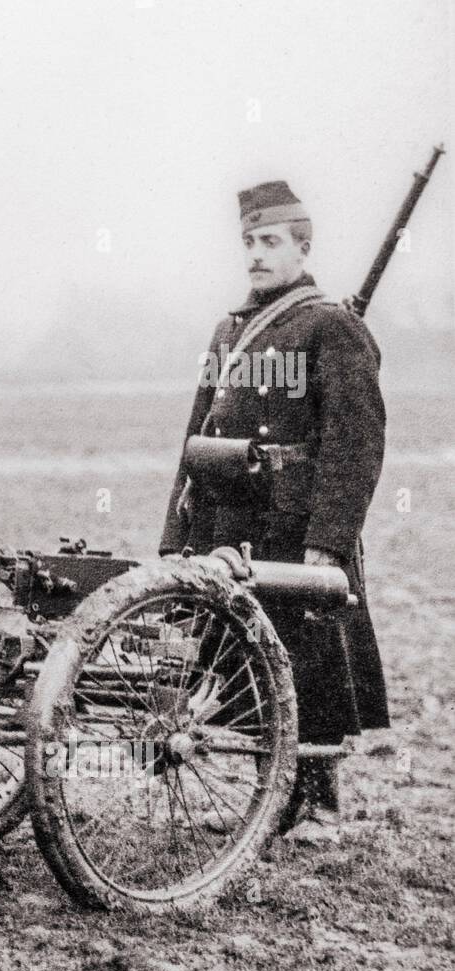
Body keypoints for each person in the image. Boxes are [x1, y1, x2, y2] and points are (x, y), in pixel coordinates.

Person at [159, 180, 389, 845]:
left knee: (307, 657)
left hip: (294, 529)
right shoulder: (229, 328)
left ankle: (321, 804)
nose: (256, 255)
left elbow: (355, 444)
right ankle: (274, 802)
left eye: (269, 242)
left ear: (302, 246)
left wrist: (329, 543)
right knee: (239, 658)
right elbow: (196, 436)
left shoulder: (333, 327)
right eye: (249, 243)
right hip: (225, 524)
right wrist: (177, 536)